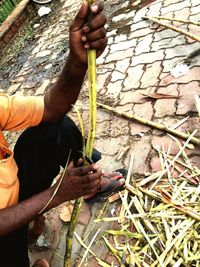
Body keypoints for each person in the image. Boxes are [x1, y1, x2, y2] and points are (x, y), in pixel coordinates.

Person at [0, 1, 125, 266]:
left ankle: (87, 181)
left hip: (11, 192)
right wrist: (57, 194)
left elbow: (50, 106)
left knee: (54, 129)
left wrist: (77, 61)